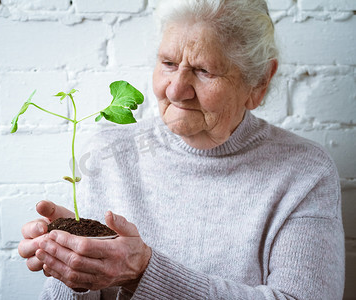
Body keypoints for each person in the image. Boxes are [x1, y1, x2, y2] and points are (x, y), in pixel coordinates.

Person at [18, 0, 345, 299]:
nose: (175, 89)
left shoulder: (304, 172)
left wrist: (143, 272)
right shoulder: (109, 152)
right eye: (169, 63)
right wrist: (71, 268)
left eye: (204, 70)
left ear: (258, 83)